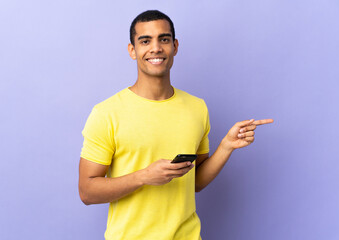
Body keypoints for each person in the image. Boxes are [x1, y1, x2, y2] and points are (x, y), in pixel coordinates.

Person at [78, 10, 273, 240]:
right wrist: (144, 176)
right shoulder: (107, 113)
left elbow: (195, 182)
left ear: (175, 46)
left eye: (164, 39)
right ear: (132, 50)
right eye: (145, 41)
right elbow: (87, 192)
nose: (156, 48)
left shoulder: (197, 107)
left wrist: (226, 146)